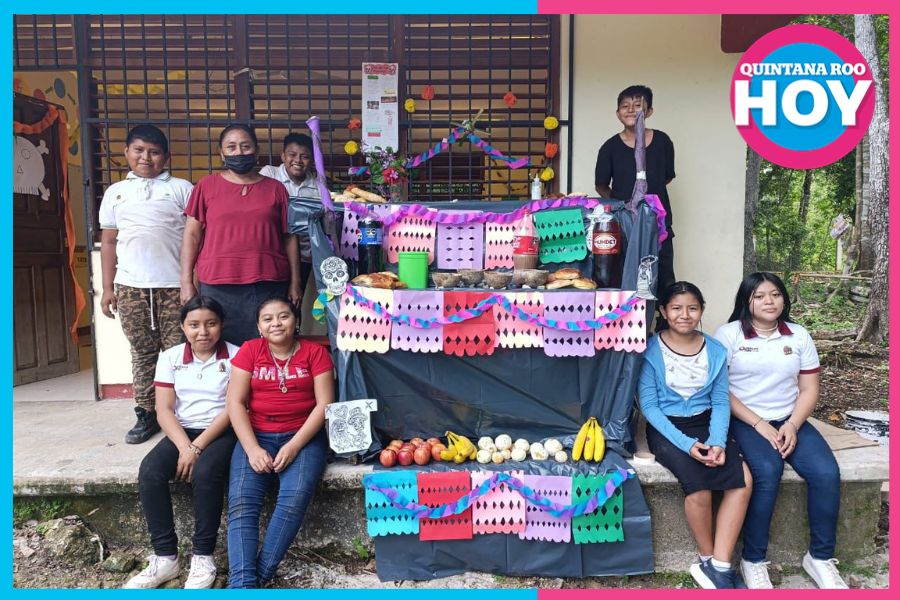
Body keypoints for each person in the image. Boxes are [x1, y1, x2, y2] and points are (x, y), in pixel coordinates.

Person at [715, 273, 848, 589]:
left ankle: (820, 558)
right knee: (767, 470)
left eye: (775, 294)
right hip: (745, 420)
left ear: (784, 299)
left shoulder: (798, 335)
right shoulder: (729, 334)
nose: (769, 301)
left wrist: (792, 424)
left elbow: (809, 389)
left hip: (790, 418)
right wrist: (758, 423)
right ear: (746, 300)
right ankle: (753, 560)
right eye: (760, 296)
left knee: (826, 473)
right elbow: (721, 390)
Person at [638, 281, 752, 589]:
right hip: (667, 428)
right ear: (663, 312)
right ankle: (706, 557)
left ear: (701, 311)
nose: (684, 315)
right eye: (676, 308)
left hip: (707, 423)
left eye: (692, 308)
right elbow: (650, 407)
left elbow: (720, 401)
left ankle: (721, 565)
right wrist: (688, 445)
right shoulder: (650, 350)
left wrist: (717, 441)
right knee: (698, 487)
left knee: (743, 480)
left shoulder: (715, 350)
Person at [124, 296, 239, 589]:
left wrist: (197, 448)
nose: (203, 332)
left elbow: (232, 409)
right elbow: (163, 410)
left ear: (222, 325)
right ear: (182, 327)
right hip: (182, 431)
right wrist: (186, 447)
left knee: (205, 472)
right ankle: (165, 557)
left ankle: (203, 556)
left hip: (222, 431)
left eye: (211, 324)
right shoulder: (171, 357)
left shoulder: (236, 356)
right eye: (194, 325)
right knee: (150, 471)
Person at [225, 295, 334, 588]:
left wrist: (295, 445)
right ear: (259, 326)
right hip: (256, 434)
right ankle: (242, 583)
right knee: (242, 503)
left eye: (284, 316)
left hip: (304, 437)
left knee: (294, 498)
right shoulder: (250, 350)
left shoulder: (315, 353)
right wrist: (252, 449)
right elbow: (234, 403)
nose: (276, 323)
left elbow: (324, 404)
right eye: (268, 318)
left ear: (296, 321)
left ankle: (254, 580)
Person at [99, 124, 193, 444]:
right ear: (126, 152)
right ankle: (146, 413)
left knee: (179, 352)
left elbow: (195, 238)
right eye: (138, 150)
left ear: (166, 157)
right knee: (142, 352)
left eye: (154, 152)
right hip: (131, 287)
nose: (145, 158)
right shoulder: (115, 192)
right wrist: (108, 288)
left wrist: (191, 283)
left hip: (174, 286)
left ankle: (181, 414)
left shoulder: (181, 189)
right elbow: (109, 241)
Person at [180, 124, 302, 346]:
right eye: (232, 147)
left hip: (268, 282)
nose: (239, 152)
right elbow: (192, 236)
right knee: (221, 347)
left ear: (256, 150)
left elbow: (290, 237)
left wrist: (295, 282)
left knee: (268, 346)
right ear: (221, 153)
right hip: (218, 284)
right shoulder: (206, 186)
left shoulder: (276, 189)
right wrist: (186, 281)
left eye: (245, 146)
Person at [594, 85, 676, 293]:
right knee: (624, 275)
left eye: (637, 105)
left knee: (663, 276)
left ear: (649, 111)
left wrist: (648, 200)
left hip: (658, 222)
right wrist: (622, 204)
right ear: (617, 113)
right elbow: (601, 185)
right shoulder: (609, 147)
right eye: (625, 106)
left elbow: (666, 177)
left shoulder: (663, 141)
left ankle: (663, 312)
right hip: (624, 223)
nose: (631, 110)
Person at [259, 133, 321, 296]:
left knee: (300, 301)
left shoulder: (318, 187)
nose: (298, 161)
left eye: (304, 157)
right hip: (275, 256)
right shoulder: (269, 175)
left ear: (311, 160)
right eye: (292, 155)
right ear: (283, 156)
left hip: (306, 258)